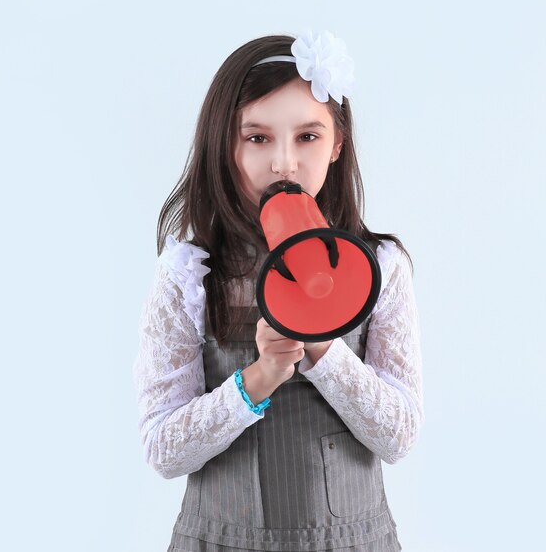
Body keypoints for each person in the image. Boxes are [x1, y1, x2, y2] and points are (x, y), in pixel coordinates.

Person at [132, 29, 424, 552]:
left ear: (338, 145)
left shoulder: (381, 267)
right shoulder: (189, 274)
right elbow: (162, 448)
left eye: (307, 137)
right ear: (226, 146)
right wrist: (258, 379)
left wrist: (323, 346)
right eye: (258, 137)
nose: (283, 163)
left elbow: (399, 434)